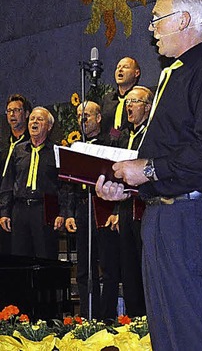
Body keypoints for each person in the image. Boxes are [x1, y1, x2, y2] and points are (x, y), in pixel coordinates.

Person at [96, 0, 202, 351]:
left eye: (157, 19)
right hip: (166, 214)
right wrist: (128, 186)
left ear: (184, 20)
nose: (152, 29)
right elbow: (171, 152)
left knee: (195, 327)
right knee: (167, 329)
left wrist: (147, 170)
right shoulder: (176, 75)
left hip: (192, 215)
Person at [65, 101, 120, 320]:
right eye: (79, 115)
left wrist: (116, 209)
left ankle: (107, 317)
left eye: (87, 115)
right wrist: (69, 213)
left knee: (108, 267)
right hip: (82, 207)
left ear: (98, 118)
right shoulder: (76, 146)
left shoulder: (111, 143)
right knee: (84, 269)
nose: (83, 119)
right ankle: (89, 317)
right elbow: (67, 183)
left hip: (104, 208)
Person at [0, 107, 66, 260]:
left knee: (46, 257)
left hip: (44, 210)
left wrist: (62, 213)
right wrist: (4, 212)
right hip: (20, 210)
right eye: (32, 119)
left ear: (49, 127)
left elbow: (64, 185)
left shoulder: (57, 151)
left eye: (40, 119)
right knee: (19, 258)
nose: (34, 122)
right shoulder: (19, 150)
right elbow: (8, 182)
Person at [113, 86, 154, 317]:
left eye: (135, 101)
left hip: (146, 204)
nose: (129, 106)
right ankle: (133, 318)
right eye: (127, 102)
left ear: (147, 107)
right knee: (127, 265)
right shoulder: (124, 136)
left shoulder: (151, 133)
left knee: (143, 264)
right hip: (126, 206)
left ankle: (149, 318)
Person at [0, 94, 32, 254]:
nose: (12, 114)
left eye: (17, 110)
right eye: (9, 111)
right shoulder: (4, 145)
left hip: (19, 206)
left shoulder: (30, 145)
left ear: (26, 114)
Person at [101, 56, 141, 139]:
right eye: (118, 67)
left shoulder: (141, 97)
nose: (120, 69)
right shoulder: (107, 99)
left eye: (125, 67)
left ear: (136, 73)